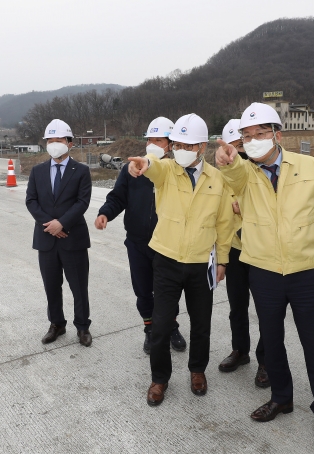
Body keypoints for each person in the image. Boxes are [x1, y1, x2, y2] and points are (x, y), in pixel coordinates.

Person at [216, 103, 314, 452]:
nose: (253, 141)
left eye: (260, 134)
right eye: (247, 136)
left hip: (305, 272)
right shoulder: (244, 172)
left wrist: (307, 246)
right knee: (272, 341)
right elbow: (232, 173)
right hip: (265, 272)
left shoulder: (308, 166)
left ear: (277, 134)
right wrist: (227, 159)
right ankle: (281, 397)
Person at [128, 113, 235, 407]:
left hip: (203, 262)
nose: (180, 149)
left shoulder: (218, 179)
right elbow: (152, 167)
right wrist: (143, 163)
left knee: (201, 323)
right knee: (161, 325)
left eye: (187, 144)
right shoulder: (167, 171)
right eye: (176, 143)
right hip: (166, 260)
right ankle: (160, 378)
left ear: (202, 147)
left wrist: (222, 261)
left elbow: (225, 224)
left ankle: (197, 370)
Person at [94, 117, 186, 354]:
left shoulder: (177, 171)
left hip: (167, 243)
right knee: (143, 290)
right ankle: (150, 329)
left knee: (168, 291)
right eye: (149, 140)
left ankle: (171, 326)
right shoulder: (131, 169)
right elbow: (118, 197)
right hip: (137, 242)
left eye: (158, 140)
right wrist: (105, 213)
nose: (152, 144)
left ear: (170, 144)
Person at [26, 119, 93, 347]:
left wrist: (63, 224)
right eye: (50, 140)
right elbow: (31, 201)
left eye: (59, 140)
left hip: (73, 238)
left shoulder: (81, 171)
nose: (55, 144)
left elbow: (82, 202)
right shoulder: (37, 171)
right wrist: (51, 225)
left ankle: (83, 327)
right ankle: (57, 324)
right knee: (51, 286)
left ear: (70, 143)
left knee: (78, 286)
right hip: (46, 239)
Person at [216, 119, 269, 388]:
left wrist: (244, 207)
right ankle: (240, 350)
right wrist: (221, 258)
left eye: (241, 145)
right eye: (232, 147)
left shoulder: (263, 173)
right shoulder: (221, 176)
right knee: (237, 306)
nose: (236, 152)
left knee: (265, 310)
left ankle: (266, 360)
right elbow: (222, 222)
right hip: (236, 251)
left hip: (261, 251)